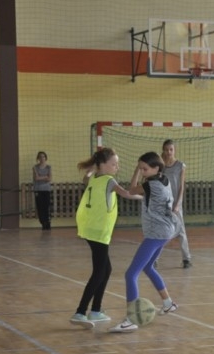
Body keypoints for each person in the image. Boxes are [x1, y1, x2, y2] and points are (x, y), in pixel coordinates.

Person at [109, 151, 179, 333]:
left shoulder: (151, 184)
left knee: (130, 274)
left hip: (157, 233)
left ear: (156, 168)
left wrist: (136, 172)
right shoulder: (164, 179)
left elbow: (131, 189)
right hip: (167, 230)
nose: (142, 171)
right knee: (148, 267)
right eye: (141, 168)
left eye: (145, 169)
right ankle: (168, 303)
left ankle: (131, 319)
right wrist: (141, 170)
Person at [70, 148, 141, 327]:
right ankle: (80, 312)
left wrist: (92, 170)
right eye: (114, 164)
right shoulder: (109, 181)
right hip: (99, 231)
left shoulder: (93, 177)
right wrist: (145, 197)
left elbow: (85, 178)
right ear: (102, 165)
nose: (117, 167)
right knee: (99, 272)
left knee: (106, 269)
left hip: (90, 229)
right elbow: (126, 193)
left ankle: (96, 310)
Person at [161, 139, 192, 268]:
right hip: (162, 202)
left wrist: (178, 203)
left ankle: (186, 258)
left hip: (175, 203)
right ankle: (154, 259)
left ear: (174, 150)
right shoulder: (160, 166)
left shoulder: (180, 165)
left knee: (181, 231)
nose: (169, 152)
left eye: (171, 149)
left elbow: (181, 187)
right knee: (159, 231)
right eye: (166, 150)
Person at [33, 151, 52, 230]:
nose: (42, 158)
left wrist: (41, 177)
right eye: (40, 157)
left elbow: (49, 179)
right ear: (38, 158)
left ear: (45, 158)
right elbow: (36, 178)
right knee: (40, 207)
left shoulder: (48, 167)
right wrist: (45, 177)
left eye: (43, 156)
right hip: (38, 190)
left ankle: (48, 222)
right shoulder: (35, 167)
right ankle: (43, 222)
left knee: (46, 207)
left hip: (46, 190)